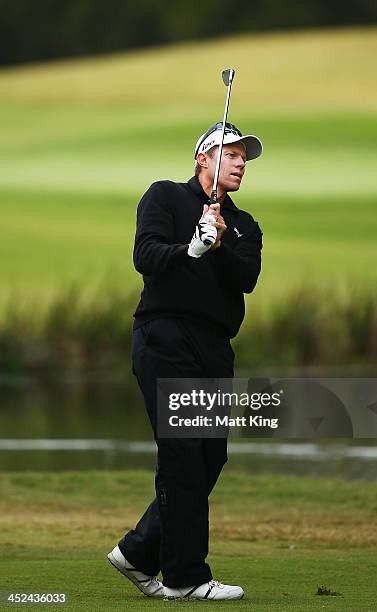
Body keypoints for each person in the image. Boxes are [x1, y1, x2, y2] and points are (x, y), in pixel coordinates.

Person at [108, 121, 263, 601]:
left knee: (209, 454)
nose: (239, 162)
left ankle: (138, 551)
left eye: (243, 157)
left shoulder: (243, 223)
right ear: (203, 158)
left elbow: (247, 276)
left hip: (214, 347)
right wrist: (189, 246)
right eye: (230, 154)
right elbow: (146, 254)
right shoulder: (165, 197)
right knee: (182, 453)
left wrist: (214, 243)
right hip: (164, 335)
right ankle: (185, 577)